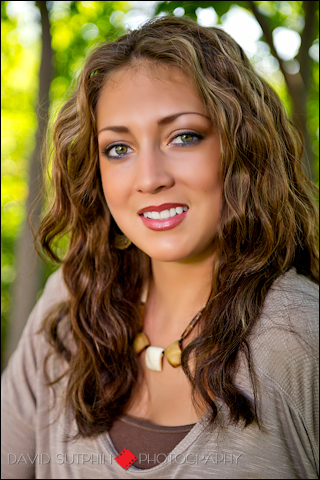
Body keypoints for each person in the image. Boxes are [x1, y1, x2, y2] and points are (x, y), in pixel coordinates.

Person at [1, 14, 319, 480]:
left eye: (184, 136)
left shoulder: (300, 336)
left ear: (241, 148)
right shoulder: (70, 308)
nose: (150, 178)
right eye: (118, 149)